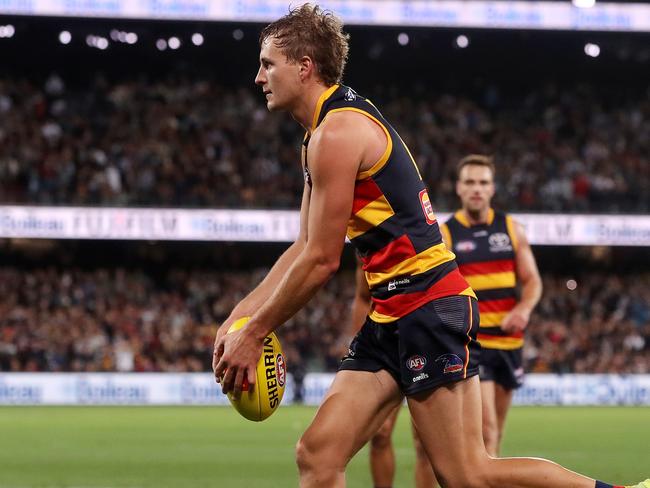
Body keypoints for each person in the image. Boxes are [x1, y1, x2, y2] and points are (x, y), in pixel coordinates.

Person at [212, 5, 648, 488]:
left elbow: (321, 261)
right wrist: (239, 317)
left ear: (304, 66)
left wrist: (257, 333)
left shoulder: (337, 132)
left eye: (268, 63)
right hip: (392, 313)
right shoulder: (319, 133)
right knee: (318, 456)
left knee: (467, 475)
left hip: (428, 306)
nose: (258, 77)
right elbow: (303, 246)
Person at [440, 154, 542, 457]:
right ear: (458, 188)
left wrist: (523, 309)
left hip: (509, 343)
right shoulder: (445, 234)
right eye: (470, 182)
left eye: (483, 183)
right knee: (486, 430)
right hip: (475, 344)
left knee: (496, 434)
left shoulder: (512, 229)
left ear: (492, 189)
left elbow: (533, 282)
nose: (477, 189)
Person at [348, 263, 437, 488]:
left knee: (427, 441)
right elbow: (362, 296)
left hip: (427, 341)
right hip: (386, 346)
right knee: (380, 433)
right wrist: (356, 349)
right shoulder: (369, 244)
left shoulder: (438, 238)